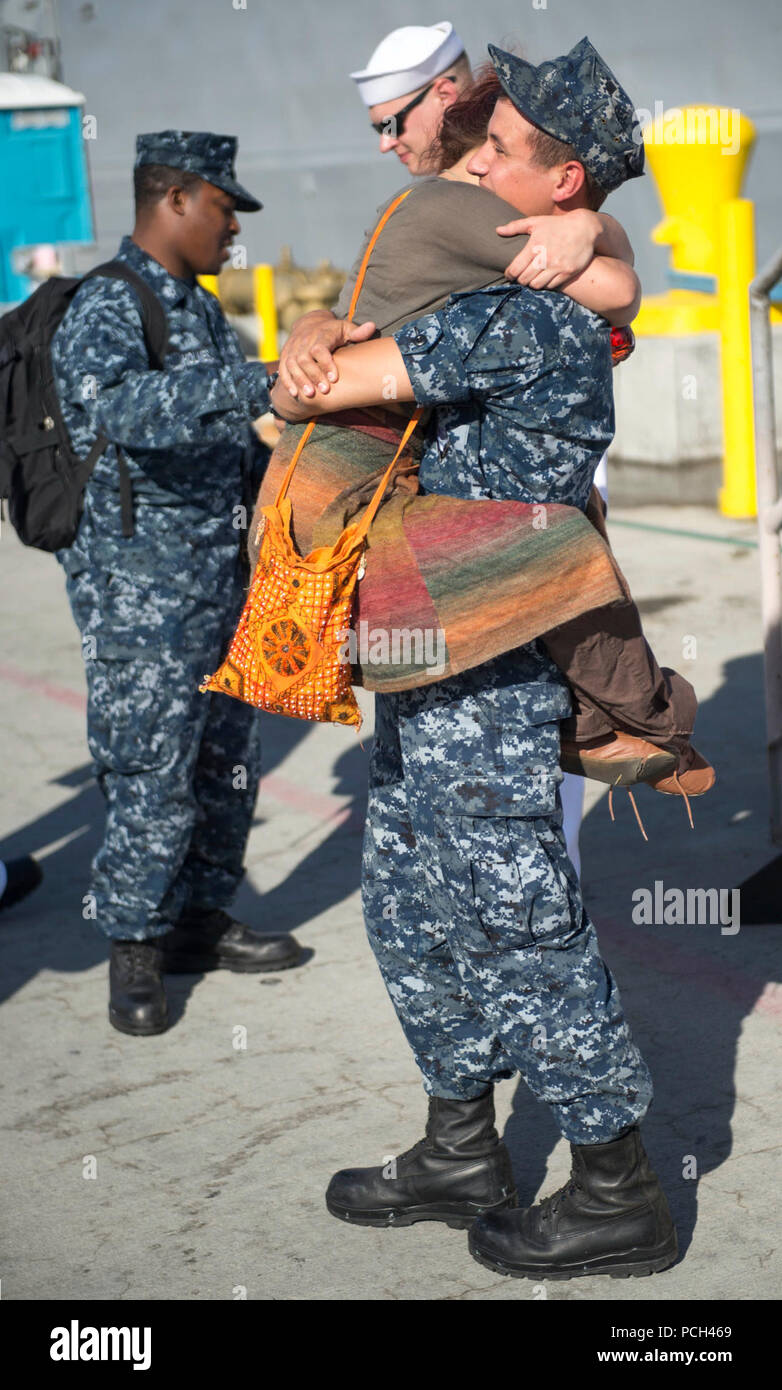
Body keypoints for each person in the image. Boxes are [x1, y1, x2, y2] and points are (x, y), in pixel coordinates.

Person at [268, 37, 682, 1280]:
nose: (469, 163)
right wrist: (308, 317)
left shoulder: (520, 325)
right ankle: (460, 1142)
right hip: (414, 642)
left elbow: (328, 391)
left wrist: (306, 352)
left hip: (486, 658)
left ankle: (616, 1183)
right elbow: (356, 337)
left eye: (496, 151)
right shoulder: (500, 285)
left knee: (513, 909)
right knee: (404, 895)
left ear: (561, 187)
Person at [284, 22, 686, 872]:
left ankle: (641, 728)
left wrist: (297, 370)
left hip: (484, 596)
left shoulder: (491, 257)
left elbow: (613, 291)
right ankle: (637, 729)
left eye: (396, 123)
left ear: (444, 99)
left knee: (515, 857)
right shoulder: (460, 214)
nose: (393, 145)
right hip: (455, 588)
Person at [52, 131, 300, 1038]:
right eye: (226, 209)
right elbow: (121, 409)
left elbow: (236, 423)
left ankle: (198, 916)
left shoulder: (197, 309)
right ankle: (134, 947)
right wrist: (258, 385)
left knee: (226, 763)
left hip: (220, 579)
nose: (234, 229)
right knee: (150, 766)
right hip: (139, 593)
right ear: (178, 199)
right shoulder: (109, 306)